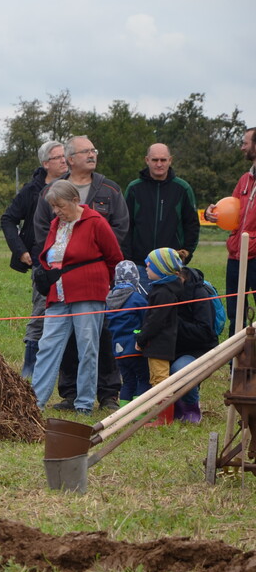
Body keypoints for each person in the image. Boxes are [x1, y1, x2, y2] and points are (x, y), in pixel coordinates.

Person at [33, 136, 130, 411]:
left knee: (88, 347)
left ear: (74, 201)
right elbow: (48, 252)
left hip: (88, 294)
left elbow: (114, 258)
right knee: (48, 345)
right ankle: (35, 401)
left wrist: (102, 286)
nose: (56, 212)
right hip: (58, 294)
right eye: (53, 207)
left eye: (60, 206)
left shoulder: (95, 221)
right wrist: (46, 272)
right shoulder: (56, 223)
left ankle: (84, 403)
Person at [0, 140, 68, 378]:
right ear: (46, 163)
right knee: (41, 310)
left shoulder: (74, 186)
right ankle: (30, 367)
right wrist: (20, 250)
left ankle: (64, 367)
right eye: (58, 157)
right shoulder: (32, 190)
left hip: (72, 259)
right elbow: (8, 219)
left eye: (65, 156)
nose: (64, 160)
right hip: (43, 260)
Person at [125, 143, 200, 281]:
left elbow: (192, 225)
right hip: (141, 265)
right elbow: (126, 225)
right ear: (147, 160)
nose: (159, 164)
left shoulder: (182, 189)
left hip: (171, 266)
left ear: (170, 160)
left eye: (163, 160)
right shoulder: (134, 188)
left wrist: (185, 254)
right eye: (155, 160)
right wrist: (129, 258)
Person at [214, 127, 256, 335]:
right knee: (235, 314)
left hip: (255, 256)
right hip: (236, 257)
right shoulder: (244, 180)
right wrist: (214, 214)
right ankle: (236, 356)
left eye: (245, 143)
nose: (242, 147)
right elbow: (232, 213)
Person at [137, 248, 185, 426]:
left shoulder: (163, 292)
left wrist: (141, 338)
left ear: (160, 269)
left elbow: (155, 320)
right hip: (158, 342)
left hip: (160, 342)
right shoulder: (162, 289)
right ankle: (161, 416)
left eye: (149, 266)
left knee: (160, 380)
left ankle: (164, 419)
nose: (146, 269)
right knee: (156, 378)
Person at [171, 259, 219, 423]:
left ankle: (191, 407)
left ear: (178, 275)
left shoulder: (199, 294)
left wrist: (175, 322)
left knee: (180, 370)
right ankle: (174, 405)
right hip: (169, 348)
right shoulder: (162, 291)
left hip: (198, 349)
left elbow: (204, 332)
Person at [104, 260, 150, 404]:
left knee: (128, 381)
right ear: (136, 279)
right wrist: (140, 333)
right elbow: (146, 319)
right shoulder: (136, 298)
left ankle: (124, 411)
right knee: (143, 379)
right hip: (135, 347)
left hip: (118, 349)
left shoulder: (109, 300)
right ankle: (140, 412)